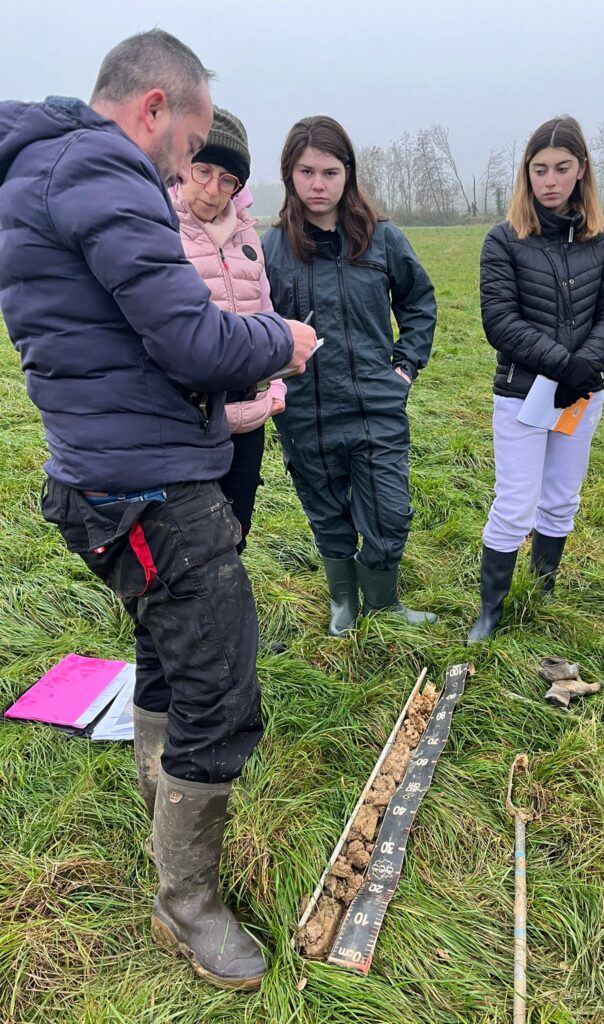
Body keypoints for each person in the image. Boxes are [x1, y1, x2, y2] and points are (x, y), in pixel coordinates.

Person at [0, 30, 316, 991]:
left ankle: (158, 800)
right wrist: (282, 338)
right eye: (188, 141)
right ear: (152, 110)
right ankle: (187, 901)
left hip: (105, 469)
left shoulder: (37, 171)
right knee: (222, 686)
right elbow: (189, 337)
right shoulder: (101, 167)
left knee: (168, 647)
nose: (186, 169)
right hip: (151, 486)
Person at [261, 116, 438, 637]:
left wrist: (405, 367)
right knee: (326, 511)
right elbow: (252, 325)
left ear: (349, 175)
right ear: (290, 175)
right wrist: (271, 383)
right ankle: (344, 600)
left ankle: (383, 601)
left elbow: (419, 303)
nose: (318, 185)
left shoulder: (382, 240)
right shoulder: (271, 249)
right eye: (306, 171)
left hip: (376, 407)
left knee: (389, 513)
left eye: (331, 172)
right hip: (305, 411)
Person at [468, 115, 604, 642]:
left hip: (581, 395)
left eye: (562, 168)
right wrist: (564, 364)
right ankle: (490, 610)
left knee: (561, 497)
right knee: (516, 502)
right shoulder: (503, 240)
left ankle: (543, 587)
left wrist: (586, 368)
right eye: (540, 169)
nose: (551, 180)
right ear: (527, 173)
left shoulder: (602, 240)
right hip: (522, 395)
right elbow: (500, 321)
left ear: (582, 170)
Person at [172, 105, 284, 554]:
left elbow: (266, 311)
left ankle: (226, 623)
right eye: (203, 171)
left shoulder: (247, 236)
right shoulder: (158, 230)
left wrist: (274, 390)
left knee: (236, 536)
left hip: (249, 419)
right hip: (190, 424)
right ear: (183, 166)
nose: (213, 189)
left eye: (227, 180)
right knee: (186, 548)